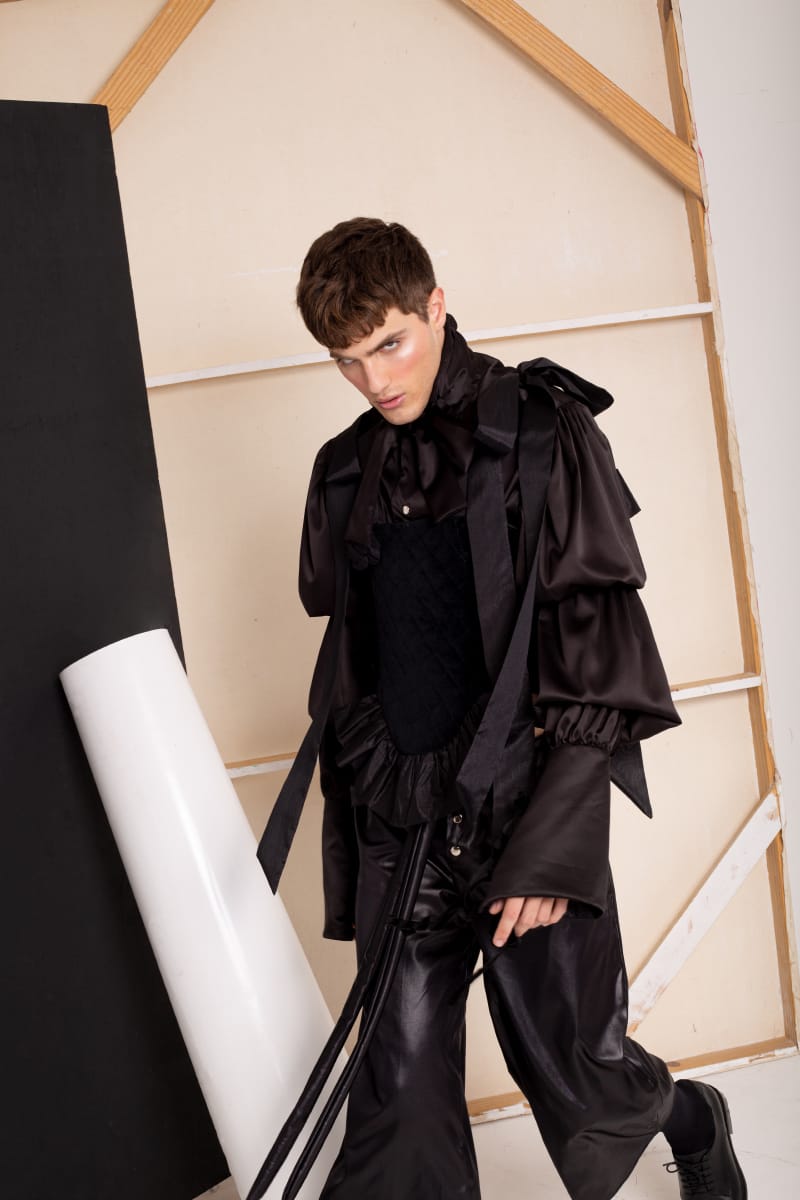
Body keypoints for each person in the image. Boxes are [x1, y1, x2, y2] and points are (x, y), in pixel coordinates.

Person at [259, 218, 748, 1200]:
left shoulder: (538, 430)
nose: (373, 380)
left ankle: (694, 1117)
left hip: (521, 806)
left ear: (435, 305)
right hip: (401, 813)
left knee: (578, 1070)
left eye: (389, 344)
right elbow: (360, 653)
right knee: (397, 1090)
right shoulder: (346, 468)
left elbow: (600, 644)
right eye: (346, 361)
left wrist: (553, 845)